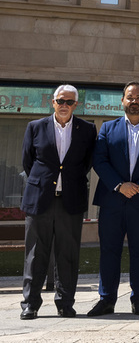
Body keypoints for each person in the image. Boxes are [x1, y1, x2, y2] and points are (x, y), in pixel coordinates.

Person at [88, 82, 139, 317]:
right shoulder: (107, 128)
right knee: (109, 250)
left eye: (138, 97)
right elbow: (100, 161)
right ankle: (106, 300)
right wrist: (119, 186)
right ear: (122, 101)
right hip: (112, 200)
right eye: (129, 97)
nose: (134, 101)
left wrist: (138, 187)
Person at [20, 85, 97, 320]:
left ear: (76, 105)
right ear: (53, 102)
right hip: (40, 200)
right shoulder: (35, 127)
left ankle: (65, 303)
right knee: (35, 254)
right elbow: (28, 162)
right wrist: (46, 182)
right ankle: (30, 304)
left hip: (70, 201)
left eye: (70, 102)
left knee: (68, 254)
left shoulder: (87, 129)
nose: (65, 105)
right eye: (60, 100)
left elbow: (87, 162)